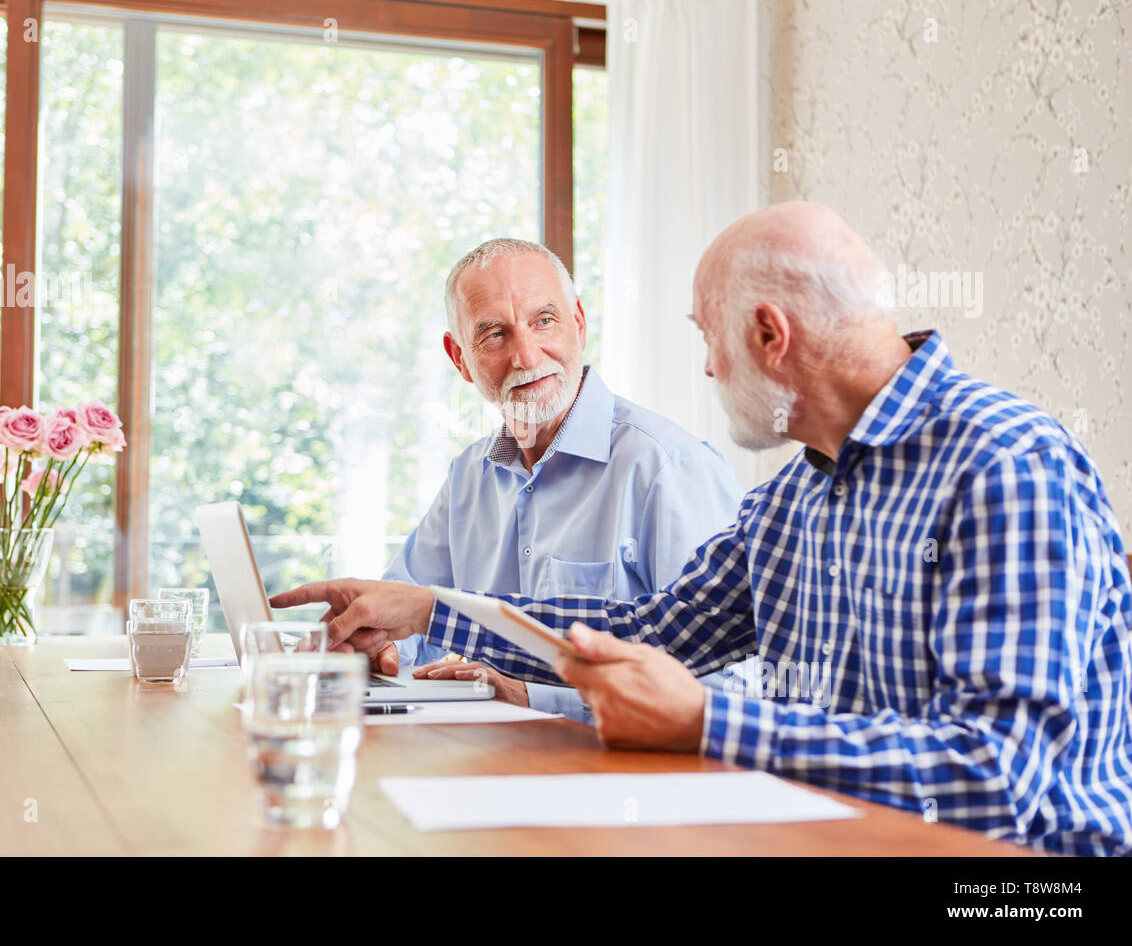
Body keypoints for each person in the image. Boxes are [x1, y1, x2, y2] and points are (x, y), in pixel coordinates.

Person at [274, 203, 1132, 855]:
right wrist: (428, 608)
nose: (711, 367)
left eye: (708, 339)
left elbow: (1000, 776)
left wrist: (708, 726)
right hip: (826, 838)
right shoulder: (794, 498)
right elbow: (653, 632)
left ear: (768, 334)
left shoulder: (1005, 463)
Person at [372, 238, 743, 721]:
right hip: (490, 766)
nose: (526, 356)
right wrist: (374, 646)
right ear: (459, 358)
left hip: (624, 780)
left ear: (579, 323)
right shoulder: (469, 476)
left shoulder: (667, 468)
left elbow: (728, 683)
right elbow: (406, 611)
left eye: (543, 321)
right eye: (494, 334)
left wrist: (535, 697)